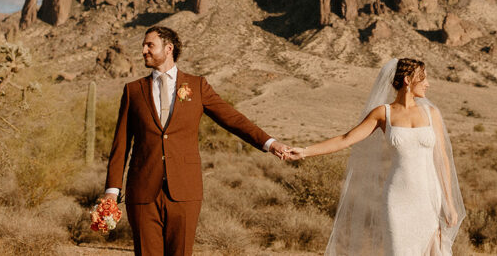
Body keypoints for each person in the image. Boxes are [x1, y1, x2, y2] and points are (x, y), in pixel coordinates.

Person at [103, 25, 293, 256]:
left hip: (184, 192)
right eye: (144, 45)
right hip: (142, 193)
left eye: (149, 45)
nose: (143, 50)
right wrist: (112, 191)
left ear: (168, 48)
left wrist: (270, 143)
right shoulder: (133, 90)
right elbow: (120, 144)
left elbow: (232, 119)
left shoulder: (197, 86)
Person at [286, 57, 465, 255]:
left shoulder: (432, 113)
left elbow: (441, 159)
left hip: (429, 199)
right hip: (397, 199)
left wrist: (448, 203)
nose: (427, 84)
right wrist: (305, 151)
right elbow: (346, 139)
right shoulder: (383, 113)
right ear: (407, 80)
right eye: (423, 78)